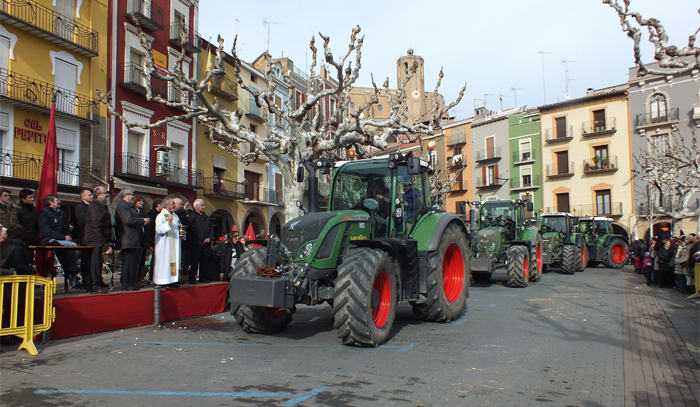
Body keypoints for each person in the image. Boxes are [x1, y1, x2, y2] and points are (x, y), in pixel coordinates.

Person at [38, 194, 81, 288]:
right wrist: (62, 237)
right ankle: (72, 272)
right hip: (50, 239)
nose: (59, 201)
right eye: (57, 200)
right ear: (50, 202)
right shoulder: (44, 213)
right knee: (72, 246)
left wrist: (68, 235)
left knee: (69, 250)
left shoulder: (61, 213)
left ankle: (70, 272)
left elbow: (66, 227)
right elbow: (47, 230)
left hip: (62, 240)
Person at [115, 188, 150, 291]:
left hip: (133, 238)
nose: (133, 197)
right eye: (131, 194)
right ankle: (126, 283)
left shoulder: (128, 206)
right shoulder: (123, 206)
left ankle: (130, 281)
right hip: (128, 238)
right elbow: (128, 220)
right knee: (128, 262)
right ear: (126, 195)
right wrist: (142, 220)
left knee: (132, 262)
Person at [83, 187, 113, 293]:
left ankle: (98, 281)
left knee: (99, 261)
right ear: (98, 195)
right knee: (95, 262)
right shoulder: (96, 207)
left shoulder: (101, 206)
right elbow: (96, 226)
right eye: (105, 193)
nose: (107, 195)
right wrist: (101, 241)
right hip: (94, 238)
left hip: (98, 238)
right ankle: (95, 285)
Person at [154, 198, 181, 288]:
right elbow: (159, 230)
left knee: (173, 261)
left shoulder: (175, 216)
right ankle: (163, 281)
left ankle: (172, 280)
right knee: (165, 262)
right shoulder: (161, 216)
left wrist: (182, 233)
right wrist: (168, 222)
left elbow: (178, 228)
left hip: (174, 243)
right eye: (172, 203)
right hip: (164, 244)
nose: (174, 205)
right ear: (167, 205)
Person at [186, 199, 213, 283]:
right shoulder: (192, 217)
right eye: (202, 205)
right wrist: (202, 238)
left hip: (206, 244)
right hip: (196, 243)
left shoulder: (206, 217)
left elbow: (211, 228)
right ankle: (192, 278)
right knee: (195, 261)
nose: (203, 207)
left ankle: (203, 277)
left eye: (204, 205)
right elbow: (192, 229)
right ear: (196, 206)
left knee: (204, 262)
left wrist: (209, 237)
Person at [75, 188, 93, 289]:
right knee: (86, 260)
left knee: (93, 260)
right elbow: (85, 221)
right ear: (83, 197)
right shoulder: (80, 208)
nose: (92, 196)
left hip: (92, 237)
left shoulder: (92, 206)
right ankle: (86, 281)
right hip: (85, 238)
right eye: (89, 195)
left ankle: (93, 280)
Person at [145, 199, 162, 281]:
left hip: (157, 239)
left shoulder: (160, 214)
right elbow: (150, 228)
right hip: (153, 239)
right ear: (158, 205)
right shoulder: (151, 213)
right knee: (154, 259)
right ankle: (152, 276)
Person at [173, 198, 190, 278]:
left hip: (183, 239)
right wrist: (183, 210)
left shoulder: (182, 214)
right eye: (180, 204)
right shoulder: (172, 214)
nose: (181, 206)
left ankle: (181, 275)